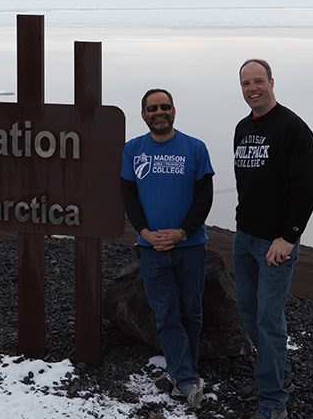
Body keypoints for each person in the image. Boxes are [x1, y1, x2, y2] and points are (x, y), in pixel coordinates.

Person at [232, 59, 313, 419]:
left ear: (271, 81)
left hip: (276, 245)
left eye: (258, 81)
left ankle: (273, 401)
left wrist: (289, 237)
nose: (252, 88)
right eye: (245, 83)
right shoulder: (241, 128)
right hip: (245, 238)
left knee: (269, 321)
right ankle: (276, 374)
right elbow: (247, 183)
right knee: (250, 315)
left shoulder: (293, 128)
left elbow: (308, 187)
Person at [120, 88, 214, 410]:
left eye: (165, 106)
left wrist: (181, 232)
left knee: (192, 311)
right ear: (143, 114)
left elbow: (204, 197)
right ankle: (187, 379)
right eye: (152, 108)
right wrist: (145, 232)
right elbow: (129, 195)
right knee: (166, 314)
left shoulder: (195, 148)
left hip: (190, 246)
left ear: (174, 110)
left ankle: (183, 373)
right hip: (151, 248)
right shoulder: (132, 150)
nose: (159, 112)